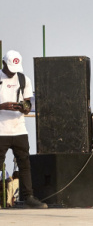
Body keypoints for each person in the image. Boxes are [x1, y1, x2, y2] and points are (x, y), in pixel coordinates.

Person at [0, 50, 47, 209]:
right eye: (10, 68)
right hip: (1, 131)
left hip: (19, 129)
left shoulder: (23, 79)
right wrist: (2, 106)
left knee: (25, 164)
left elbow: (28, 103)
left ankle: (28, 197)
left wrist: (24, 108)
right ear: (3, 63)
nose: (12, 72)